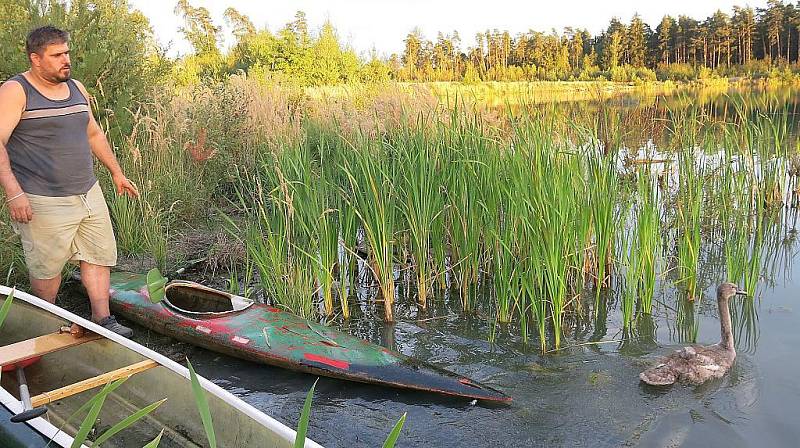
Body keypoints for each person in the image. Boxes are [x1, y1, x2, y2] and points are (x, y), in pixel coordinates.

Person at [0, 25, 139, 337]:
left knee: (97, 255)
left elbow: (93, 133)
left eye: (67, 52)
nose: (66, 60)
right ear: (36, 59)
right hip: (42, 198)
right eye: (57, 55)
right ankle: (43, 325)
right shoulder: (16, 91)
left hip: (88, 191)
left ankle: (103, 320)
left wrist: (117, 173)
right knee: (47, 268)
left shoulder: (75, 87)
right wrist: (13, 193)